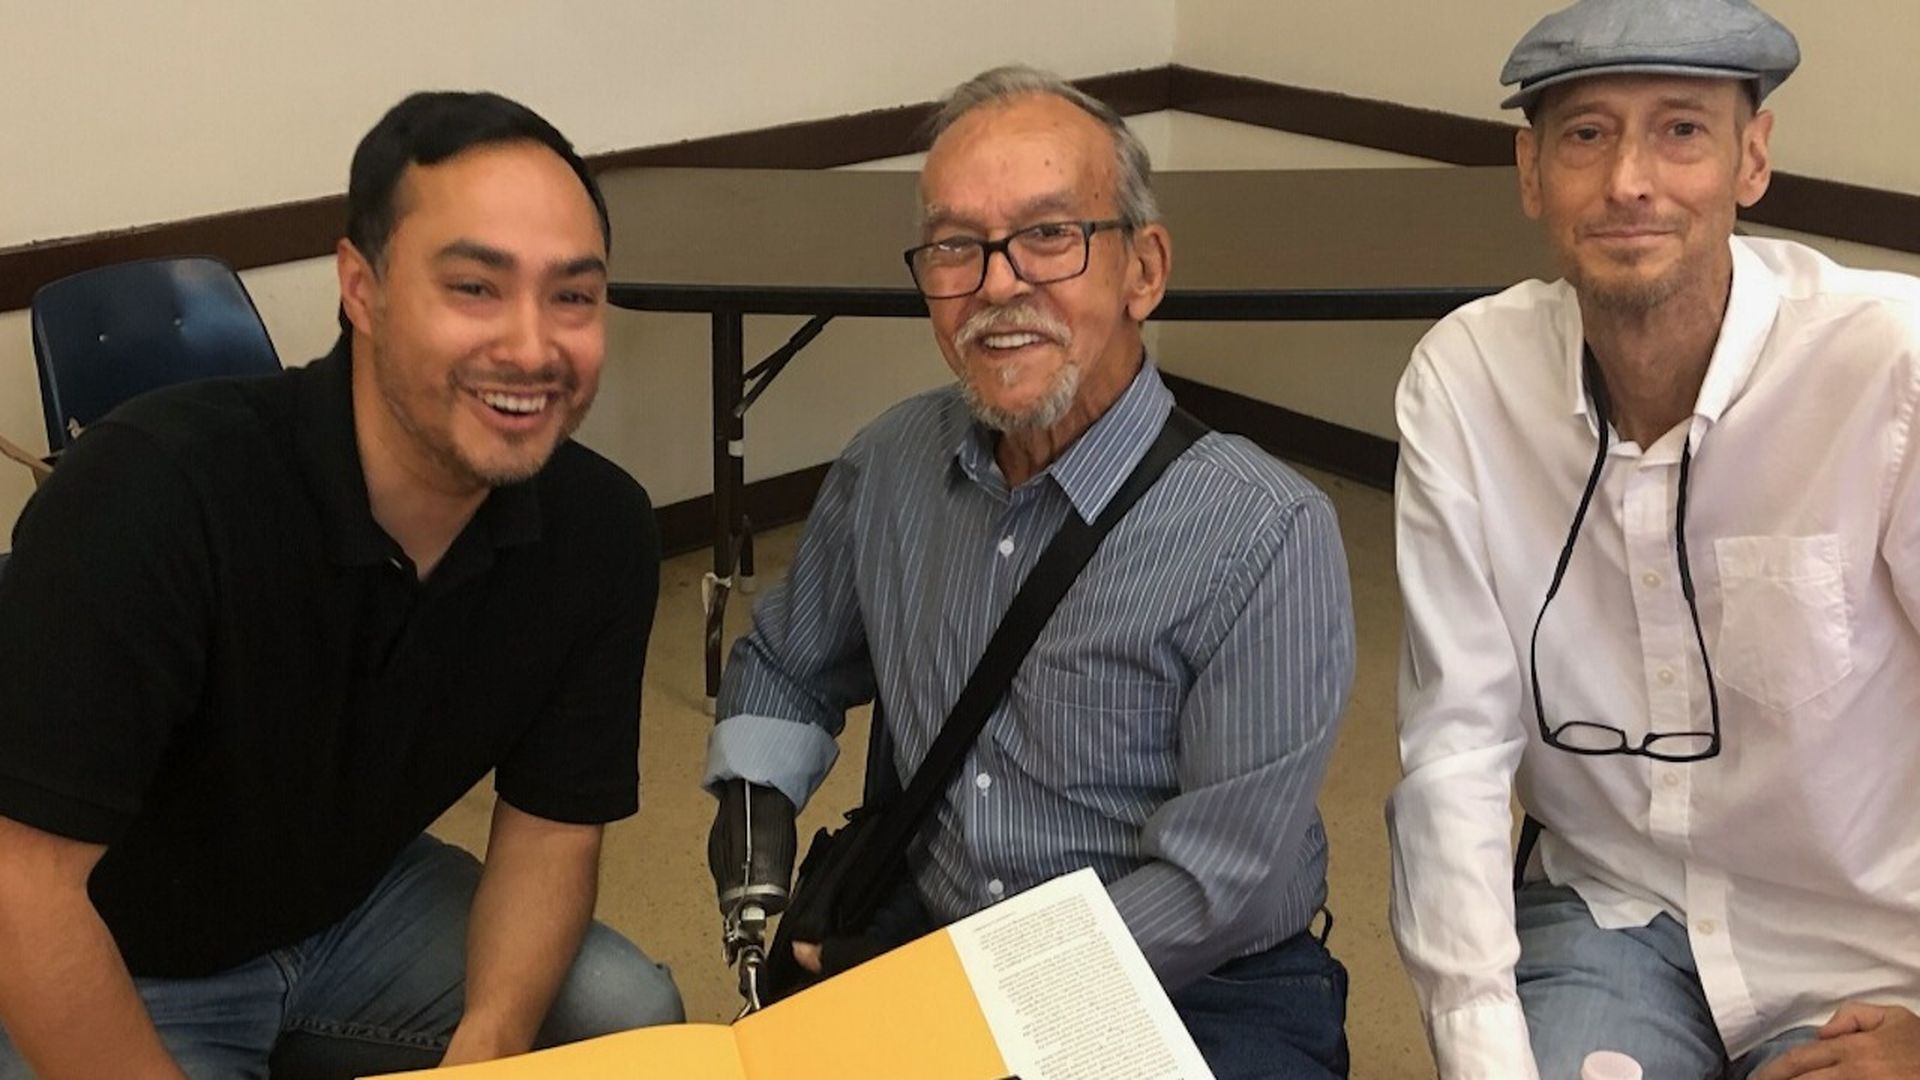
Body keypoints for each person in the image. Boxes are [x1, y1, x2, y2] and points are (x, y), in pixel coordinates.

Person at [0, 91, 682, 1079]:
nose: (534, 348)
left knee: (632, 1012)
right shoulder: (149, 494)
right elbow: (23, 887)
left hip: (351, 910)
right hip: (116, 948)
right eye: (475, 289)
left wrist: (487, 1053)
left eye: (571, 296)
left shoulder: (597, 529)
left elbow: (549, 827)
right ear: (361, 288)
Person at [703, 65, 1356, 1079]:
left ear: (1144, 269)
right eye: (957, 246)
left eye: (1050, 234)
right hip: (931, 922)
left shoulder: (1265, 532)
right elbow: (789, 664)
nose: (998, 283)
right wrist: (754, 818)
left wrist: (963, 996)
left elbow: (1214, 889)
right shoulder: (887, 465)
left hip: (1194, 979)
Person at [1389, 2, 1920, 1077]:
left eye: (1681, 130)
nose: (1630, 179)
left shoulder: (1888, 366)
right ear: (1532, 173)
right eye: (1587, 134)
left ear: (1752, 159)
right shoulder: (1465, 381)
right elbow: (1453, 749)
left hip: (1867, 952)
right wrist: (1490, 1057)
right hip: (1612, 918)